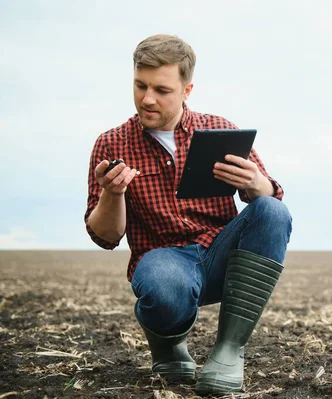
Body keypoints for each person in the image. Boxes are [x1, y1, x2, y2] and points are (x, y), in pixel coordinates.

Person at [84, 34, 292, 394]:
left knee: (273, 211)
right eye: (140, 86)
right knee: (162, 285)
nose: (147, 99)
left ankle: (228, 350)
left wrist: (257, 181)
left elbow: (271, 197)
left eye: (161, 90)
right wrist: (113, 192)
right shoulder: (111, 143)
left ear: (186, 90)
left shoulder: (221, 130)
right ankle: (168, 345)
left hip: (222, 256)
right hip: (164, 263)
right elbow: (106, 236)